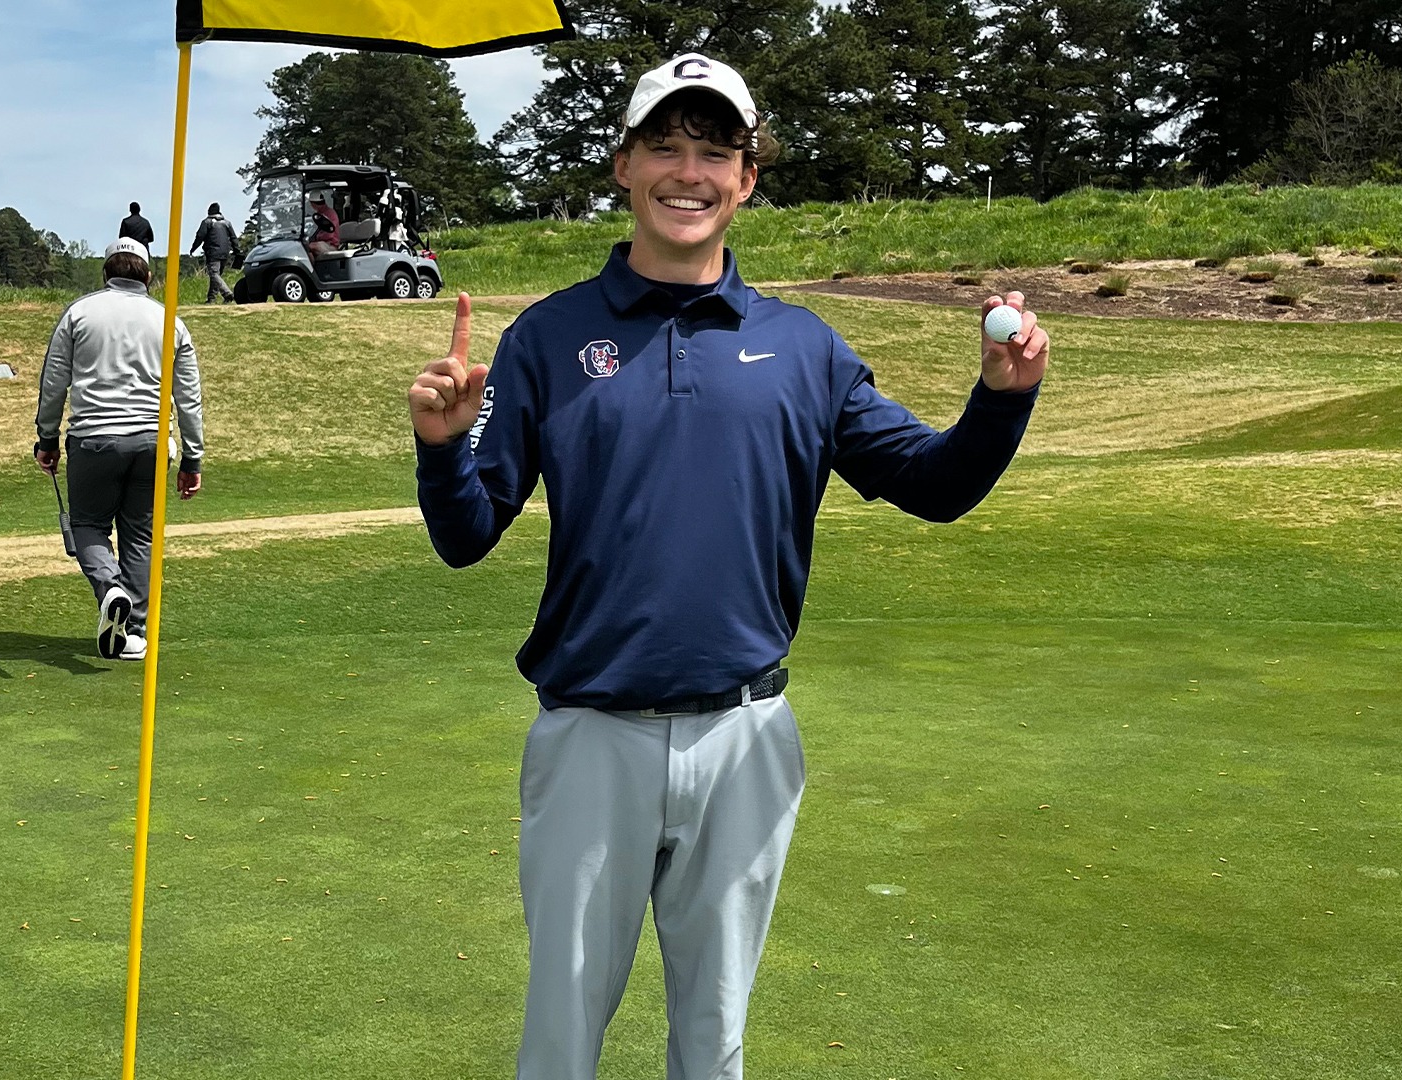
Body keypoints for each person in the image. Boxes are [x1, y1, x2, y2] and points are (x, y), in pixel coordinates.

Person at [407, 52, 1049, 1080]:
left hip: (747, 736)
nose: (689, 173)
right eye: (665, 146)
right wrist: (443, 449)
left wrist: (1001, 401)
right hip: (590, 735)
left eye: (715, 152)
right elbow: (465, 535)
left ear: (747, 178)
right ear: (623, 165)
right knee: (560, 1042)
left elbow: (933, 485)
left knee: (715, 1045)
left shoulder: (804, 348)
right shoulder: (550, 337)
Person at [33, 237, 205, 661]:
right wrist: (193, 457)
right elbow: (188, 397)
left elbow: (54, 382)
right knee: (140, 535)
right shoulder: (169, 321)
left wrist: (47, 438)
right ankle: (135, 634)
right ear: (149, 276)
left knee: (88, 525)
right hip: (152, 442)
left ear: (105, 271)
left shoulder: (79, 313)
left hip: (93, 439)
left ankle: (110, 589)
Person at [190, 202, 237, 304]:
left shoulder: (207, 222)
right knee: (216, 276)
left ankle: (227, 293)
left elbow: (200, 236)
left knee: (214, 274)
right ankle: (211, 299)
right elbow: (233, 237)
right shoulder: (227, 223)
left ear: (210, 211)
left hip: (213, 252)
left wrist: (193, 248)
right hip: (225, 252)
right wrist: (237, 251)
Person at [307, 192, 340, 256]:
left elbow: (329, 235)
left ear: (313, 204)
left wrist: (317, 237)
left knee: (311, 246)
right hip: (322, 243)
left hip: (330, 245)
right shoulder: (318, 214)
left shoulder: (330, 214)